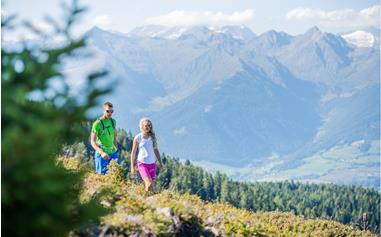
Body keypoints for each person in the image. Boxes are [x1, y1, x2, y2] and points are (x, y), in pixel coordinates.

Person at [131, 117, 163, 192]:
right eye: (146, 125)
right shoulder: (138, 137)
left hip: (152, 164)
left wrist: (160, 163)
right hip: (142, 163)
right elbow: (133, 152)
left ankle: (145, 198)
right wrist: (132, 166)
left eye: (149, 125)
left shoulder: (152, 137)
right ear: (142, 126)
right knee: (149, 183)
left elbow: (156, 150)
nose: (148, 127)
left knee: (150, 186)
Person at [90, 101, 120, 174]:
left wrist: (116, 147)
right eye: (107, 111)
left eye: (111, 111)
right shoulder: (97, 124)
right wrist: (102, 152)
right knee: (102, 178)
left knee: (116, 176)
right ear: (103, 110)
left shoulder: (113, 122)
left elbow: (114, 135)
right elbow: (92, 142)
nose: (110, 113)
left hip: (113, 153)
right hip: (102, 155)